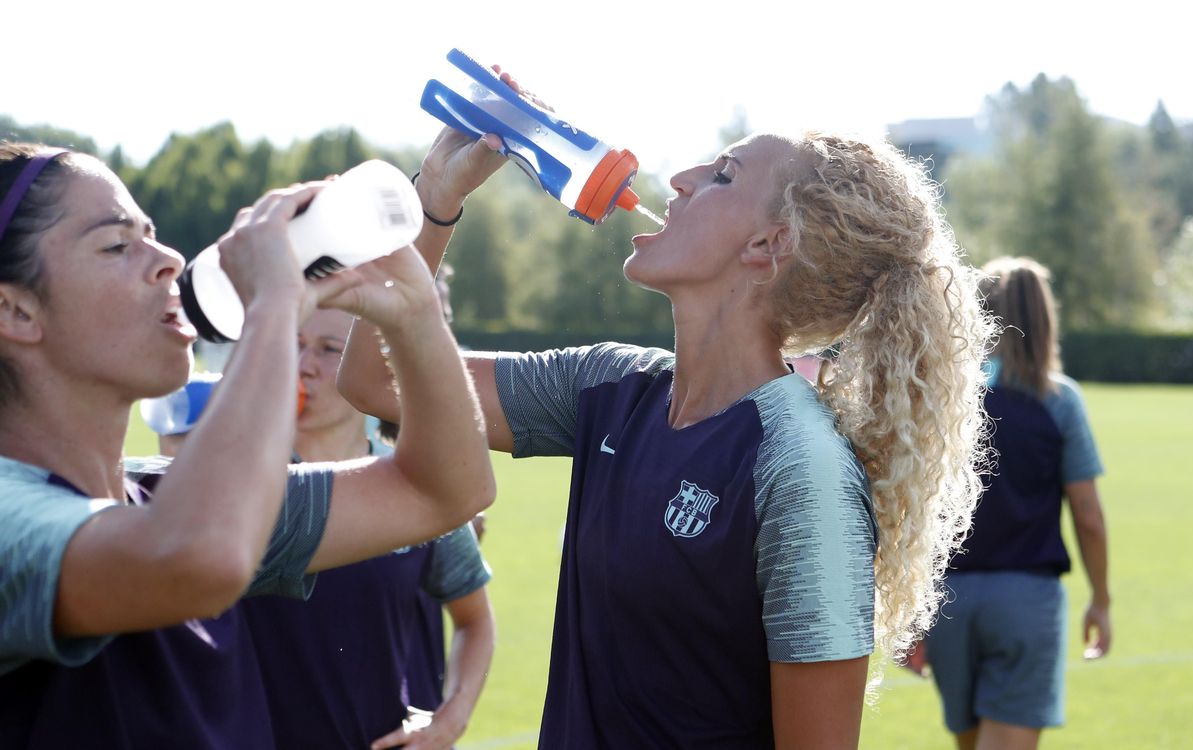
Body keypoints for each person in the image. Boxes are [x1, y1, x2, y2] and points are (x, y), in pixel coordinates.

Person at [340, 91, 995, 747]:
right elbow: (374, 379)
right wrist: (435, 198)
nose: (679, 181)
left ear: (770, 245)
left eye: (722, 176)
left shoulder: (802, 471)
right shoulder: (609, 385)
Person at [0, 143, 494, 747]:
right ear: (14, 309)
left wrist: (413, 310)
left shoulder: (165, 501)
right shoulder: (13, 519)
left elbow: (443, 490)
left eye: (152, 235)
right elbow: (197, 559)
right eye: (116, 244)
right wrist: (273, 310)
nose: (168, 260)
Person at [241, 307, 494, 750]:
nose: (303, 366)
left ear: (372, 369)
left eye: (328, 350)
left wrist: (450, 719)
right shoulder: (237, 485)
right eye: (297, 345)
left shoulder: (416, 487)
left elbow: (475, 620)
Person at [921, 257, 1112, 750]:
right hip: (1025, 599)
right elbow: (1088, 517)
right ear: (1044, 319)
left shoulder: (946, 400)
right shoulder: (1058, 401)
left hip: (948, 603)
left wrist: (911, 614)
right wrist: (1101, 600)